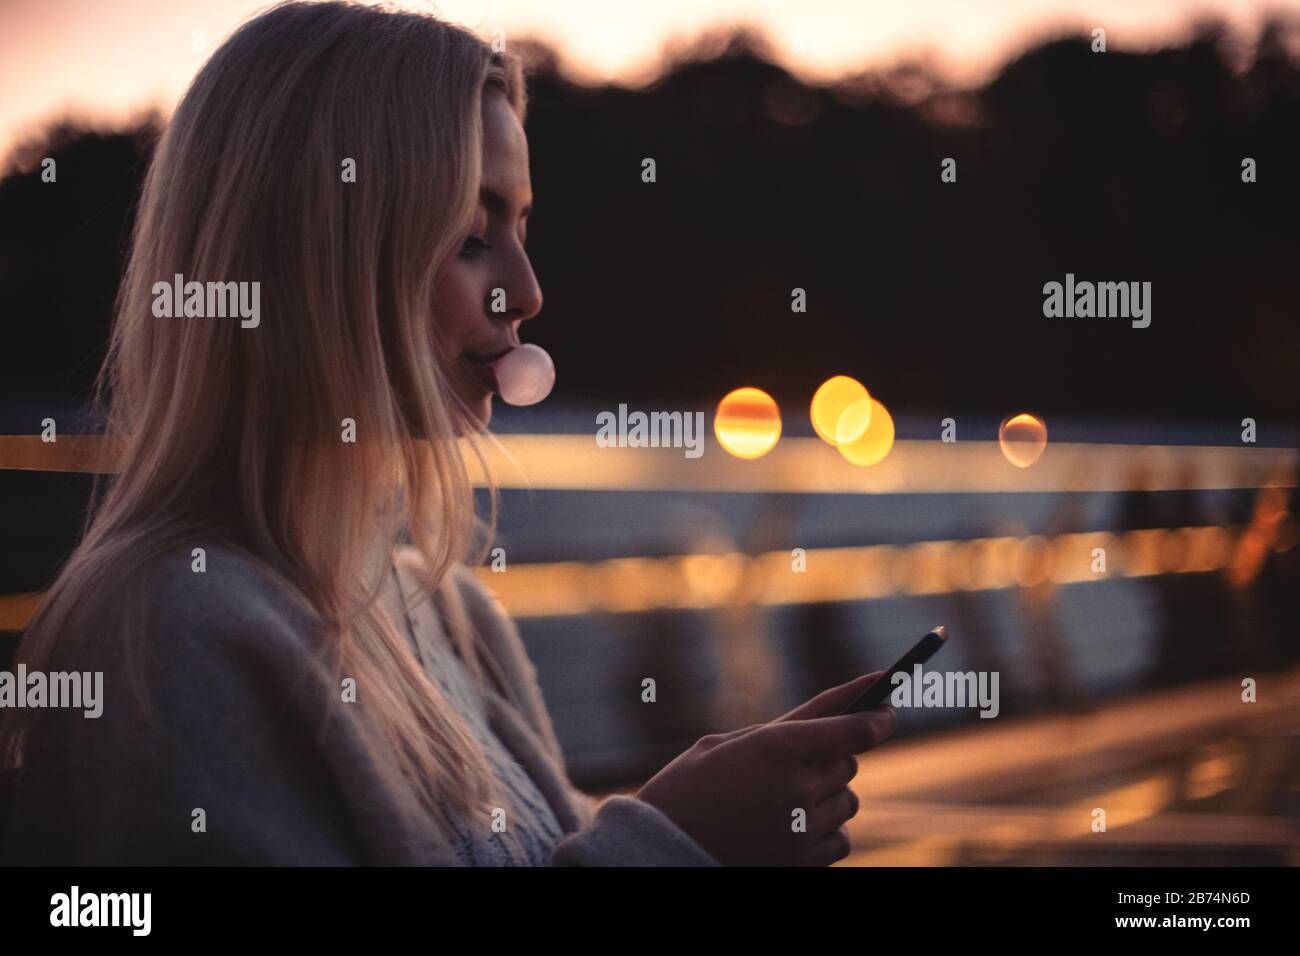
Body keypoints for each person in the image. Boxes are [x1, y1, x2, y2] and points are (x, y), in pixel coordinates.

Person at [0, 1, 894, 866]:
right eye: (472, 235)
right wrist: (672, 844)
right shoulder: (171, 630)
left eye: (521, 224)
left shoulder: (449, 611)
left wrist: (706, 813)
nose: (528, 289)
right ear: (320, 261)